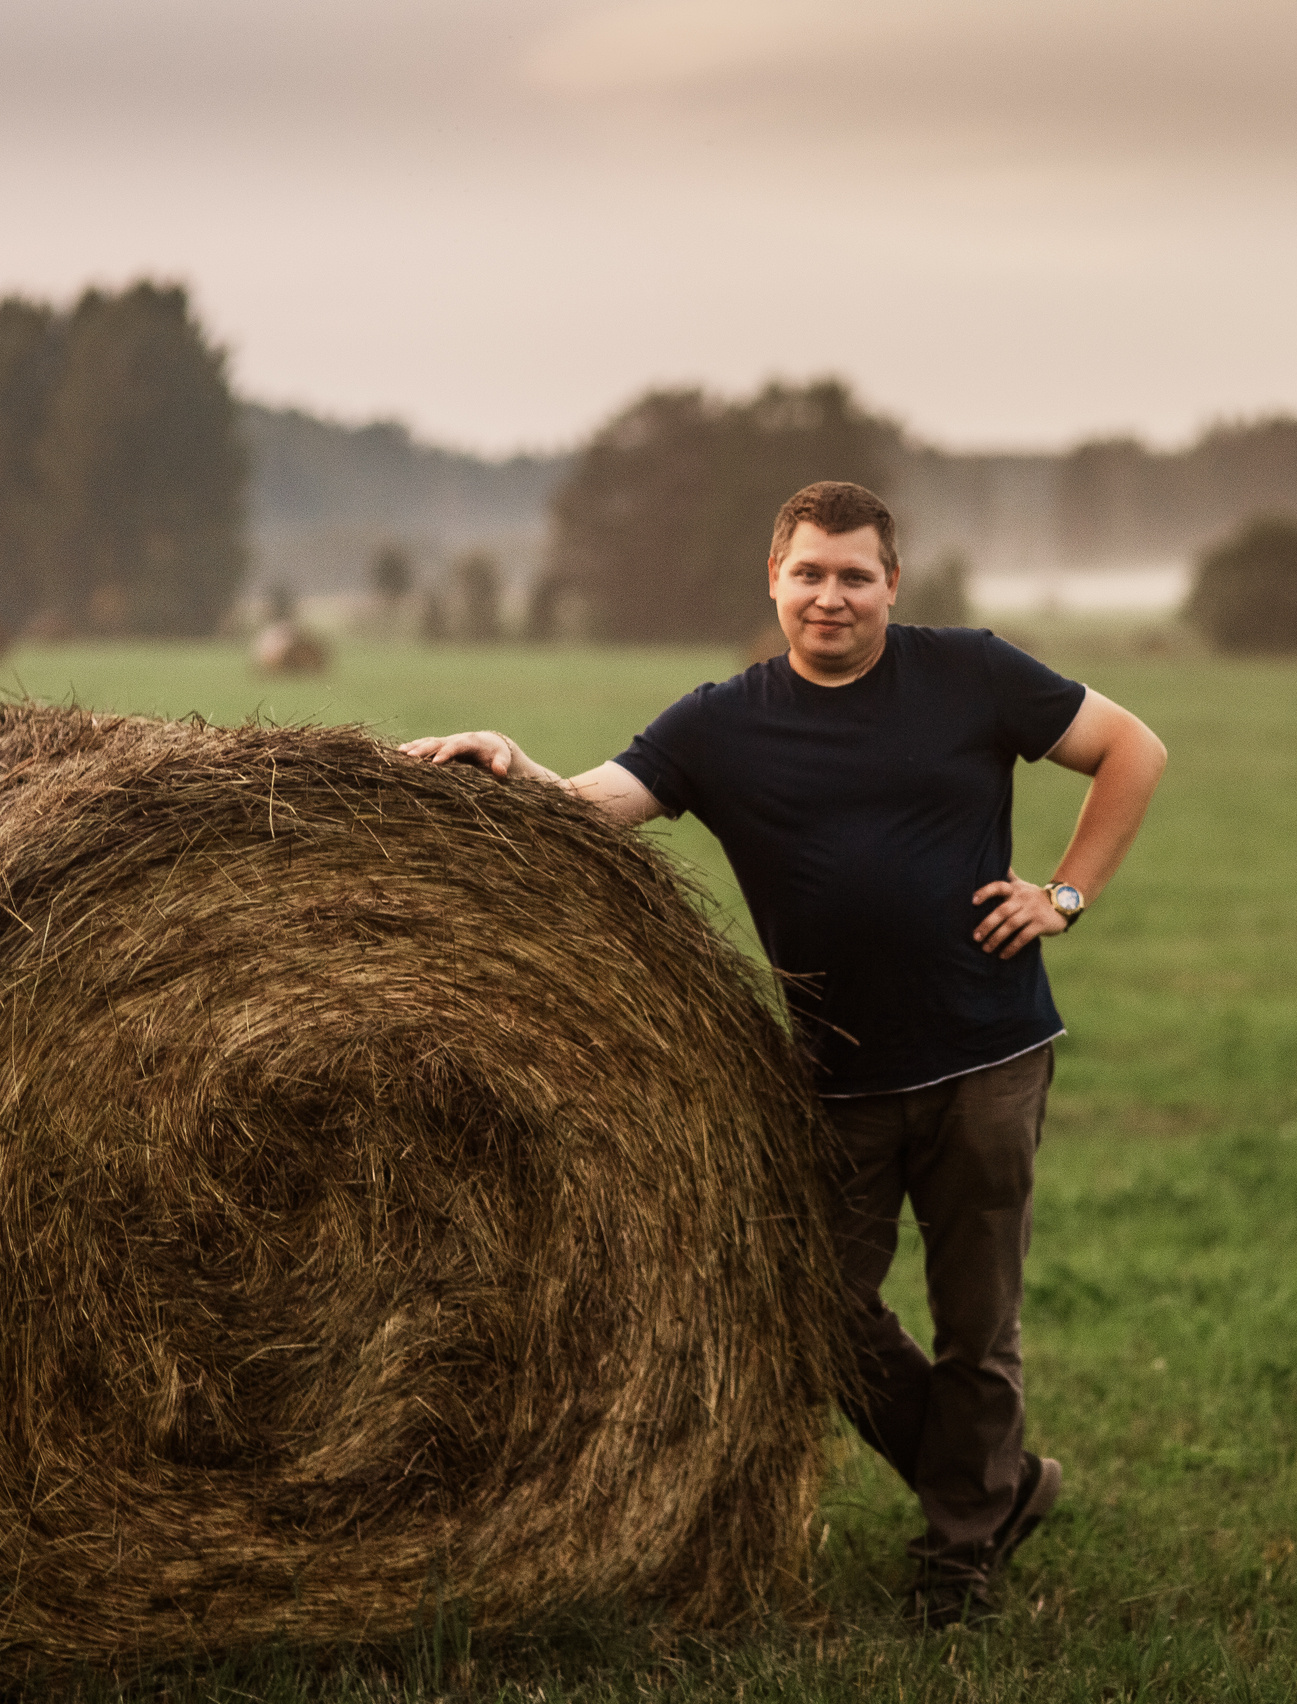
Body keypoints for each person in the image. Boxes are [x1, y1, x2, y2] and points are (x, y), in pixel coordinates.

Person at [403, 480, 1167, 1627]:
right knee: (819, 1312)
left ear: (890, 586)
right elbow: (589, 804)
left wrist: (1063, 893)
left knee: (977, 1322)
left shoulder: (969, 671)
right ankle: (992, 1488)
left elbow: (1131, 748)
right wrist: (513, 763)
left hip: (985, 1059)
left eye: (855, 575)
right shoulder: (721, 723)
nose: (830, 596)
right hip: (838, 1078)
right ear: (775, 580)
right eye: (808, 573)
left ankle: (959, 1553)